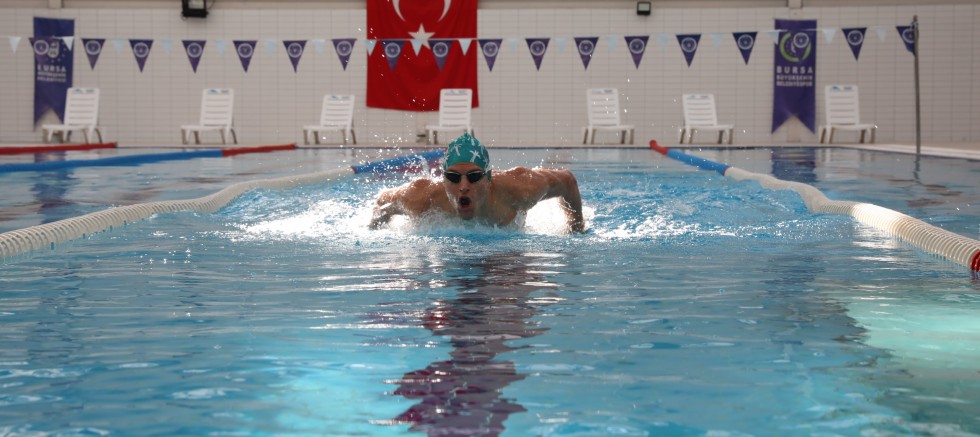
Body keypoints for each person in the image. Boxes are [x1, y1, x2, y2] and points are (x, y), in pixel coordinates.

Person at [369, 133, 585, 233]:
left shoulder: (520, 188)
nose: (463, 186)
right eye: (453, 177)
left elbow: (567, 180)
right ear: (443, 179)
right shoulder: (421, 198)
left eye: (473, 177)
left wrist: (575, 227)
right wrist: (373, 228)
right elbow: (382, 202)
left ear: (488, 178)